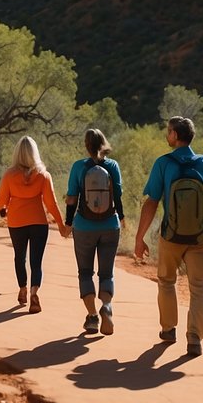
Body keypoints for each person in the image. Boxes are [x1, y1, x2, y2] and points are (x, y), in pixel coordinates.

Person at [133, 116, 203, 357]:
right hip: (201, 238)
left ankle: (168, 329)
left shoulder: (164, 164)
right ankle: (194, 338)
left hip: (171, 237)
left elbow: (151, 203)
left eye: (168, 132)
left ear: (176, 136)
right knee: (199, 288)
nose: (167, 136)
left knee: (167, 281)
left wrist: (140, 237)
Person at [0, 135, 71, 313]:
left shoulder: (9, 175)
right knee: (36, 262)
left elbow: (1, 199)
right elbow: (51, 203)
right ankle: (34, 293)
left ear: (17, 153)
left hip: (16, 222)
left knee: (19, 257)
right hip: (39, 222)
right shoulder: (43, 176)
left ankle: (22, 288)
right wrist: (61, 225)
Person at [65, 128, 125, 335]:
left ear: (86, 145)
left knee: (85, 272)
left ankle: (92, 318)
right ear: (104, 143)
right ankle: (106, 306)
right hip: (110, 225)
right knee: (106, 273)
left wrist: (67, 222)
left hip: (83, 226)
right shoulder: (113, 166)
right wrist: (122, 217)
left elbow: (72, 198)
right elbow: (118, 195)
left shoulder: (79, 167)